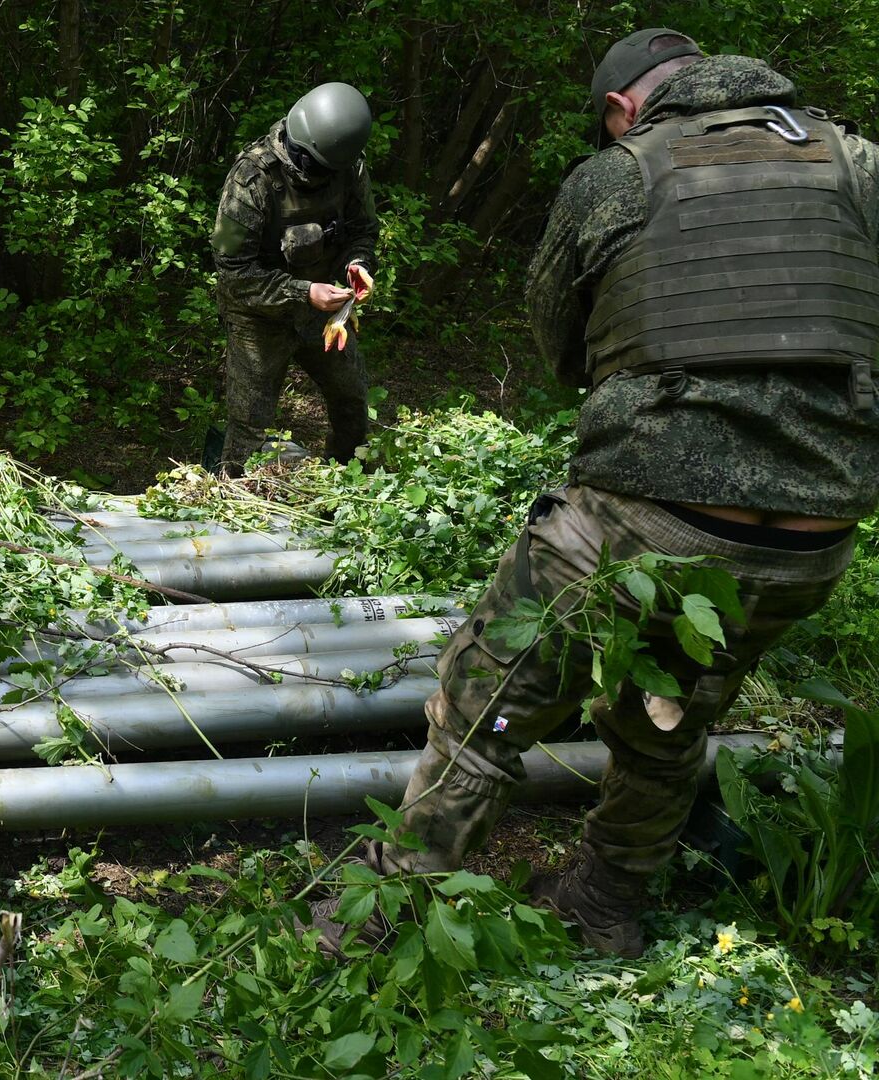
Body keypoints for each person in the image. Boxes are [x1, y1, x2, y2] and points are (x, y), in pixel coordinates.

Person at [313, 31, 879, 957]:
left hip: (642, 520)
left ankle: (386, 917)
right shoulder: (858, 167)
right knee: (671, 713)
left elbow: (561, 349)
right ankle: (604, 905)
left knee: (484, 701)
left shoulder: (619, 175)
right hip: (813, 542)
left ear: (624, 108)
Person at [210, 81, 380, 474]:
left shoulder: (347, 166)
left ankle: (348, 488)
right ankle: (234, 503)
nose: (321, 178)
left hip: (324, 310)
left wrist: (358, 264)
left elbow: (363, 230)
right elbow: (232, 271)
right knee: (250, 422)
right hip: (258, 315)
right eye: (316, 168)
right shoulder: (249, 180)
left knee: (351, 399)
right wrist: (304, 293)